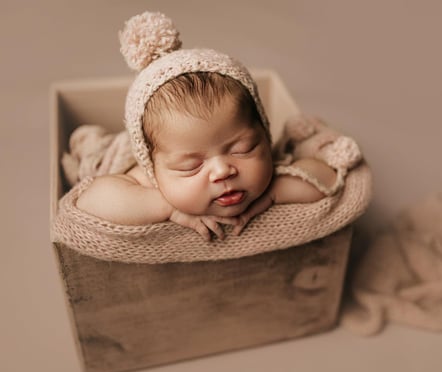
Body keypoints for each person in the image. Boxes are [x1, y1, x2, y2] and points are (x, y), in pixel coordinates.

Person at [76, 12, 336, 241]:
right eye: (190, 166)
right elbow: (89, 201)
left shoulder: (269, 167)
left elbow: (328, 177)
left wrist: (275, 192)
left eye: (243, 149)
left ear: (264, 134)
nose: (222, 171)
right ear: (153, 167)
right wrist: (166, 206)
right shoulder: (147, 181)